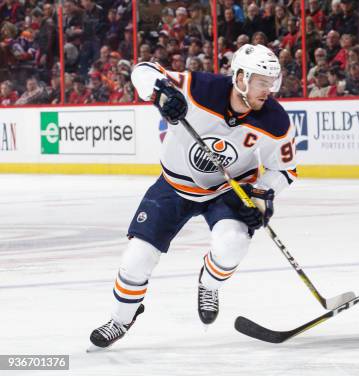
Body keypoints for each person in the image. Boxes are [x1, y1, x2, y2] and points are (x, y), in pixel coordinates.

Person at [88, 44, 297, 351]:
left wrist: (260, 196)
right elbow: (143, 71)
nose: (268, 90)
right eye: (262, 82)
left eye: (272, 82)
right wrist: (162, 94)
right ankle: (121, 319)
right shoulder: (200, 88)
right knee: (136, 259)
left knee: (233, 245)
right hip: (174, 186)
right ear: (240, 77)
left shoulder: (275, 120)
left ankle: (209, 284)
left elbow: (285, 169)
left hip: (229, 190)